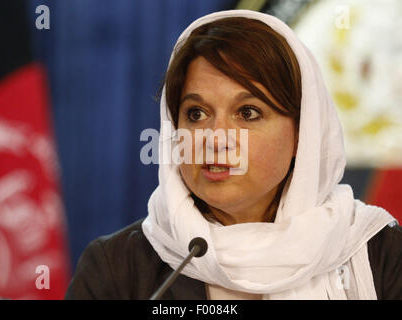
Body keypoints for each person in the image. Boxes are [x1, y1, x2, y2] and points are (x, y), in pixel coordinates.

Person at [65, 10, 402, 300]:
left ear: (303, 134)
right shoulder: (118, 268)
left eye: (247, 113)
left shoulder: (380, 253)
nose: (216, 139)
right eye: (196, 113)